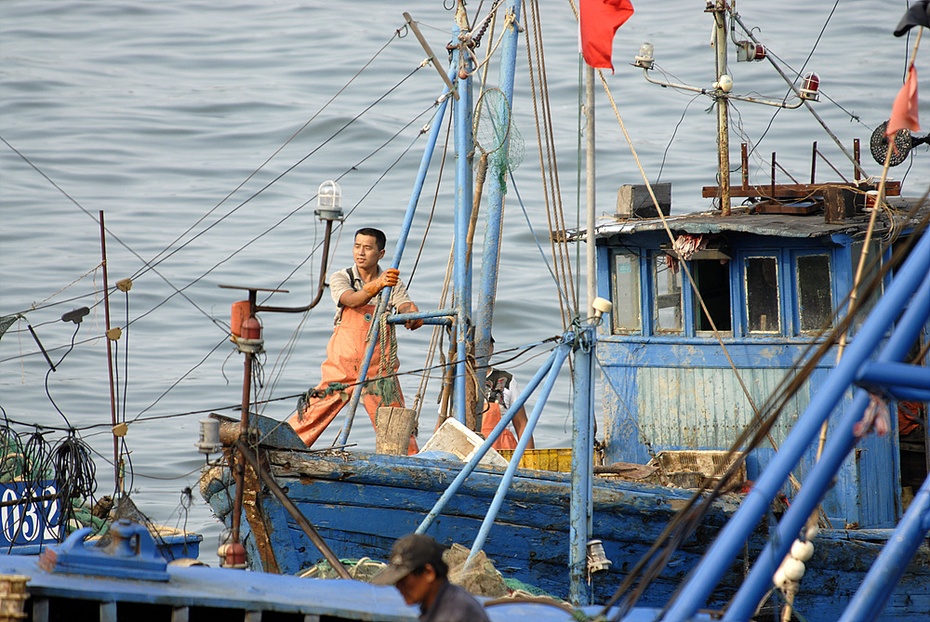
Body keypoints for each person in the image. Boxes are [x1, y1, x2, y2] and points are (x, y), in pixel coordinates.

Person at [288, 227, 422, 453]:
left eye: (368, 248)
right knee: (316, 409)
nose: (361, 252)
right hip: (343, 365)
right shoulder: (342, 277)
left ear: (380, 254)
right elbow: (351, 300)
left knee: (395, 424)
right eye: (357, 246)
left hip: (379, 369)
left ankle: (408, 464)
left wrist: (412, 314)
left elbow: (403, 303)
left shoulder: (392, 283)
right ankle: (284, 446)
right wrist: (376, 286)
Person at [371, 533, 491, 622]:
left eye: (403, 580)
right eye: (396, 581)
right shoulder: (440, 602)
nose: (398, 587)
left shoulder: (455, 615)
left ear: (429, 573)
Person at [481, 339, 535, 451]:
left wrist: (530, 460)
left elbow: (521, 424)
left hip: (502, 453)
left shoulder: (506, 380)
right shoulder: (457, 381)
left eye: (486, 345)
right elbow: (444, 423)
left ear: (492, 348)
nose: (481, 350)